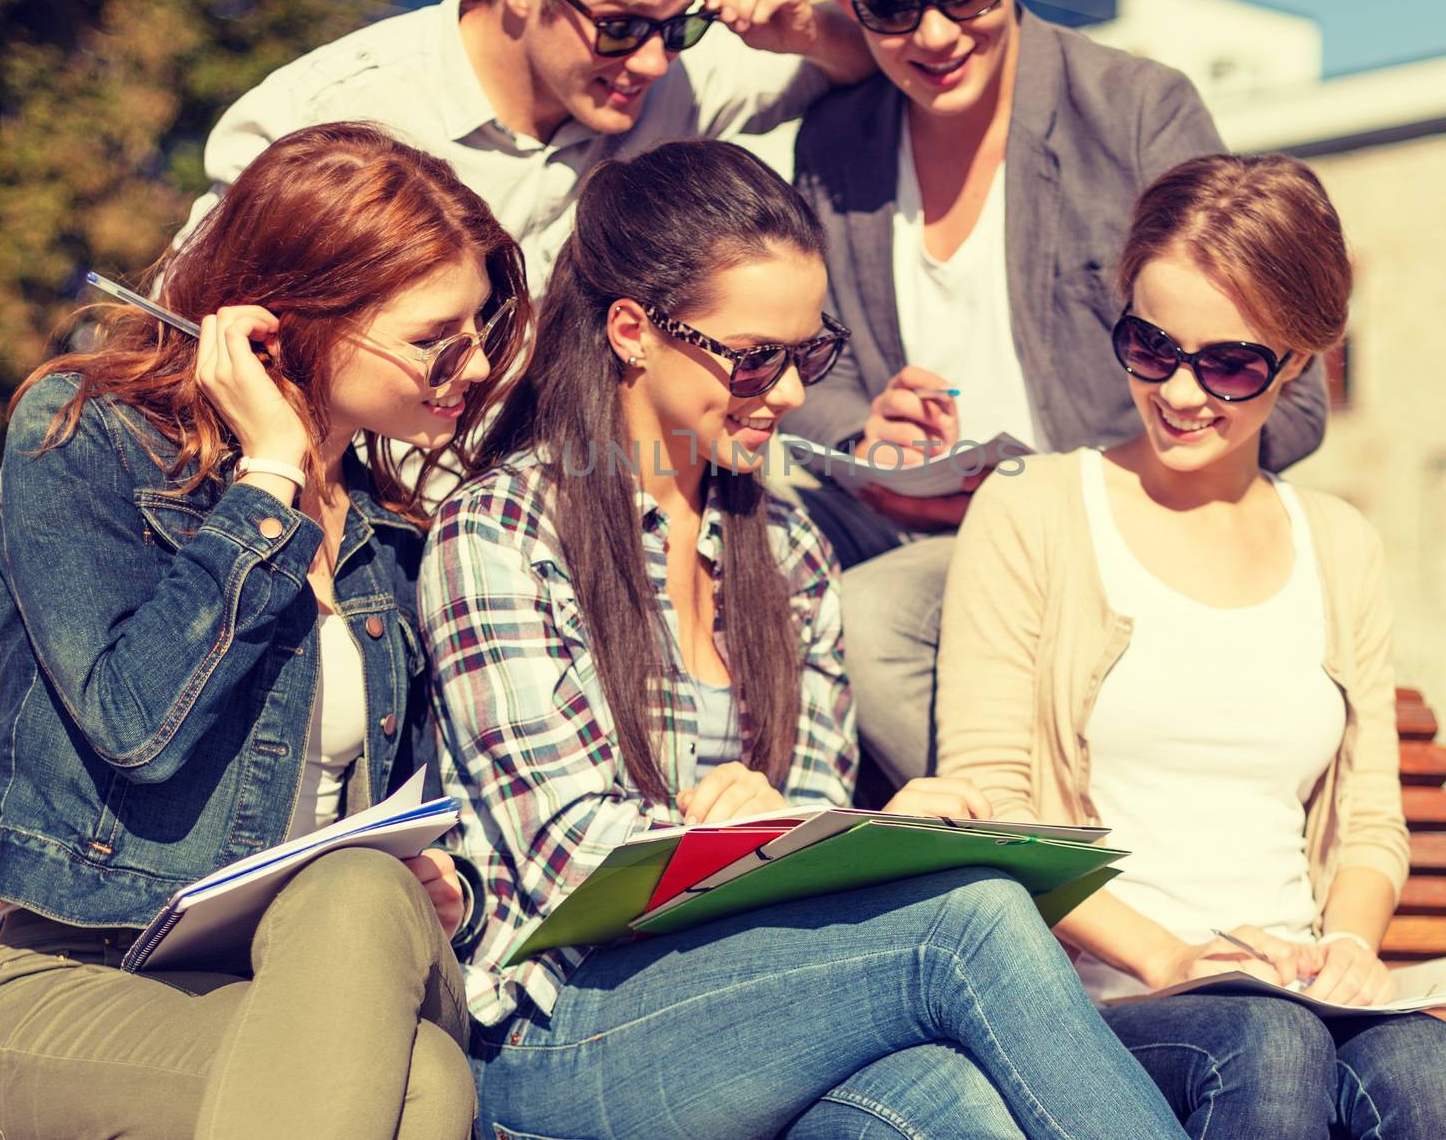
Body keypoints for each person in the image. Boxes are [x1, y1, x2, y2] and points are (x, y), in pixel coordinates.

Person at [420, 138, 1192, 1140]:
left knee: (947, 1106)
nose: (786, 394)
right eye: (752, 357)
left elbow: (808, 831)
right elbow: (569, 862)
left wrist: (870, 832)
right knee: (973, 918)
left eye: (807, 356)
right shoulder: (501, 531)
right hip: (560, 1039)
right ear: (631, 332)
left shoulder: (785, 547)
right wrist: (754, 836)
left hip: (749, 1010)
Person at [935, 153, 1446, 1138]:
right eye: (1150, 346)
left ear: (1301, 360)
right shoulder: (1033, 510)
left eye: (1228, 363)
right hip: (1102, 998)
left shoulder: (1340, 545)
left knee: (1424, 1061)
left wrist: (1348, 953)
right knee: (1264, 1046)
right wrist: (1167, 957)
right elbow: (991, 810)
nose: (1180, 391)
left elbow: (1369, 825)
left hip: (1296, 992)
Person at [0, 123, 531, 1139]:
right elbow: (135, 728)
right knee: (424, 1087)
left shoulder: (390, 540)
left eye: (483, 332)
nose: (470, 369)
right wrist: (270, 479)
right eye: (434, 340)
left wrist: (448, 885)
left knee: (368, 890)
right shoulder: (81, 436)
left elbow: (414, 806)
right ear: (283, 327)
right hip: (74, 972)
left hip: (319, 964)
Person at [779, 0, 1329, 789]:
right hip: (930, 552)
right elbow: (808, 360)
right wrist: (868, 435)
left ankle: (1058, 864)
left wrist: (1072, 490)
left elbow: (1289, 393)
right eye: (891, 6)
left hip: (1126, 547)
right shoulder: (833, 144)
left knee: (864, 625)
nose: (935, 34)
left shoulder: (1134, 116)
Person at [175, 0, 873, 291]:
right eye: (621, 26)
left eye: (678, 24)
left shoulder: (673, 73)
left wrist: (803, 31)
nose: (654, 62)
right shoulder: (323, 116)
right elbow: (180, 334)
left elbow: (873, 61)